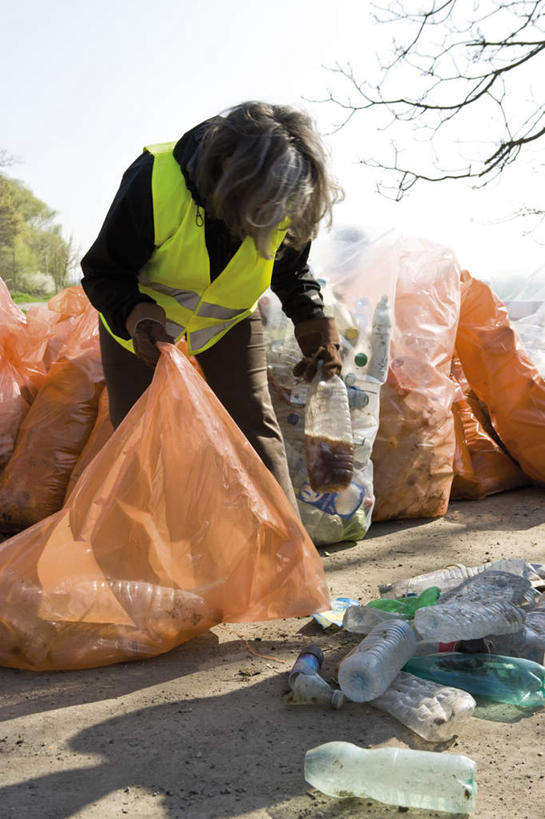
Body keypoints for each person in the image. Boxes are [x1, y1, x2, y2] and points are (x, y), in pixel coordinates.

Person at [81, 100, 344, 513]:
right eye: (261, 206)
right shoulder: (154, 180)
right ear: (226, 168)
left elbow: (292, 269)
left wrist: (314, 322)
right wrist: (135, 315)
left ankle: (285, 547)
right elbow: (103, 271)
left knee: (255, 428)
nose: (271, 216)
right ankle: (145, 547)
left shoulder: (286, 192)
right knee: (139, 438)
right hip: (143, 322)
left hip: (229, 319)